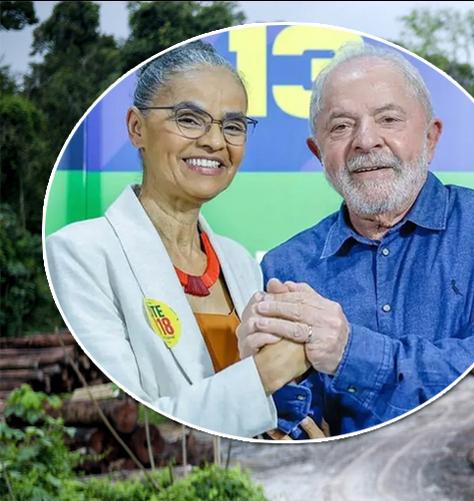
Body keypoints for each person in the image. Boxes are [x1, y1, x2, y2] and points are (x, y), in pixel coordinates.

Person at [238, 43, 474, 438]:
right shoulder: (286, 266)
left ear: (430, 138)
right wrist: (258, 383)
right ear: (318, 152)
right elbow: (299, 426)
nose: (366, 140)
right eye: (340, 126)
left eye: (388, 119)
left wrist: (349, 351)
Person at [46, 41, 310, 438]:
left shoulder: (238, 262)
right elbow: (130, 424)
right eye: (189, 119)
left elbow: (255, 408)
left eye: (233, 126)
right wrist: (268, 371)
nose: (215, 142)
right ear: (137, 128)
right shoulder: (80, 254)